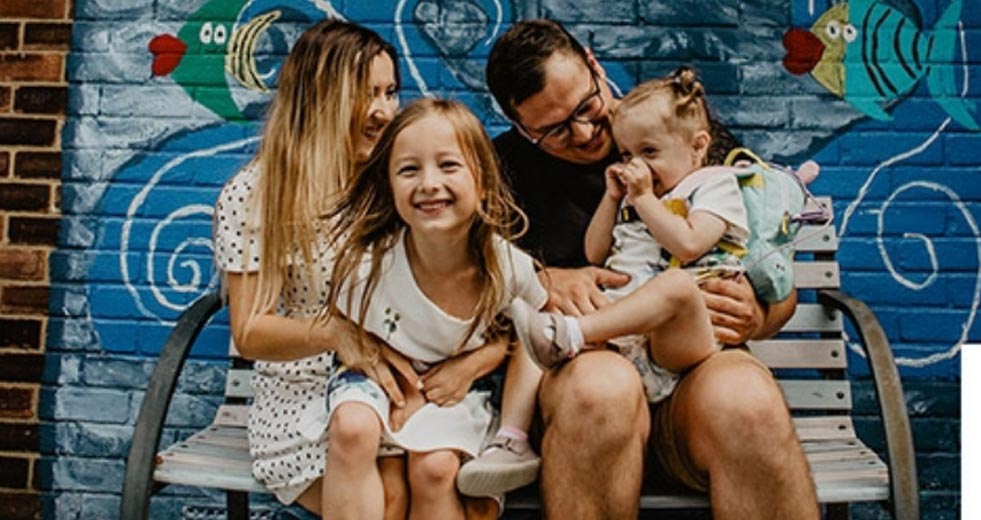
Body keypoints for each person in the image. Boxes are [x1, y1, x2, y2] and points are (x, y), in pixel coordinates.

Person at [484, 19, 819, 518]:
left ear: (595, 67)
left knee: (747, 400)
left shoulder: (673, 127)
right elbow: (461, 288)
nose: (582, 133)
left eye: (586, 107)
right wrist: (541, 279)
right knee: (602, 392)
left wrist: (759, 315)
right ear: (519, 127)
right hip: (587, 376)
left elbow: (775, 273)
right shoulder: (499, 171)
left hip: (692, 369)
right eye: (553, 130)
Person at [214, 21, 499, 519]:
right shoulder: (258, 192)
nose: (385, 111)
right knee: (389, 501)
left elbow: (485, 283)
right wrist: (336, 335)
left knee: (433, 482)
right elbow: (250, 328)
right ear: (321, 96)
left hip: (407, 384)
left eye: (391, 92)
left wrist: (468, 365)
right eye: (366, 94)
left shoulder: (399, 178)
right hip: (305, 391)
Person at [325, 97, 547, 517]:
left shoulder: (505, 267)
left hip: (455, 392)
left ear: (481, 180)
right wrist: (380, 359)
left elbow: (535, 329)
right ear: (390, 187)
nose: (428, 183)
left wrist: (476, 363)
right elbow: (339, 322)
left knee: (436, 468)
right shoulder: (370, 265)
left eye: (448, 166)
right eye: (409, 170)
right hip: (379, 384)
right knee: (352, 427)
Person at [509, 67, 750, 407]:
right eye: (626, 155)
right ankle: (510, 438)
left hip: (682, 335)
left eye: (649, 152)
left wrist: (644, 199)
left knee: (677, 286)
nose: (635, 165)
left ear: (697, 148)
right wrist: (612, 199)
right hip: (625, 337)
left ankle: (574, 334)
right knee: (535, 328)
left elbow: (689, 244)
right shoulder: (636, 198)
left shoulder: (714, 186)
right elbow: (595, 253)